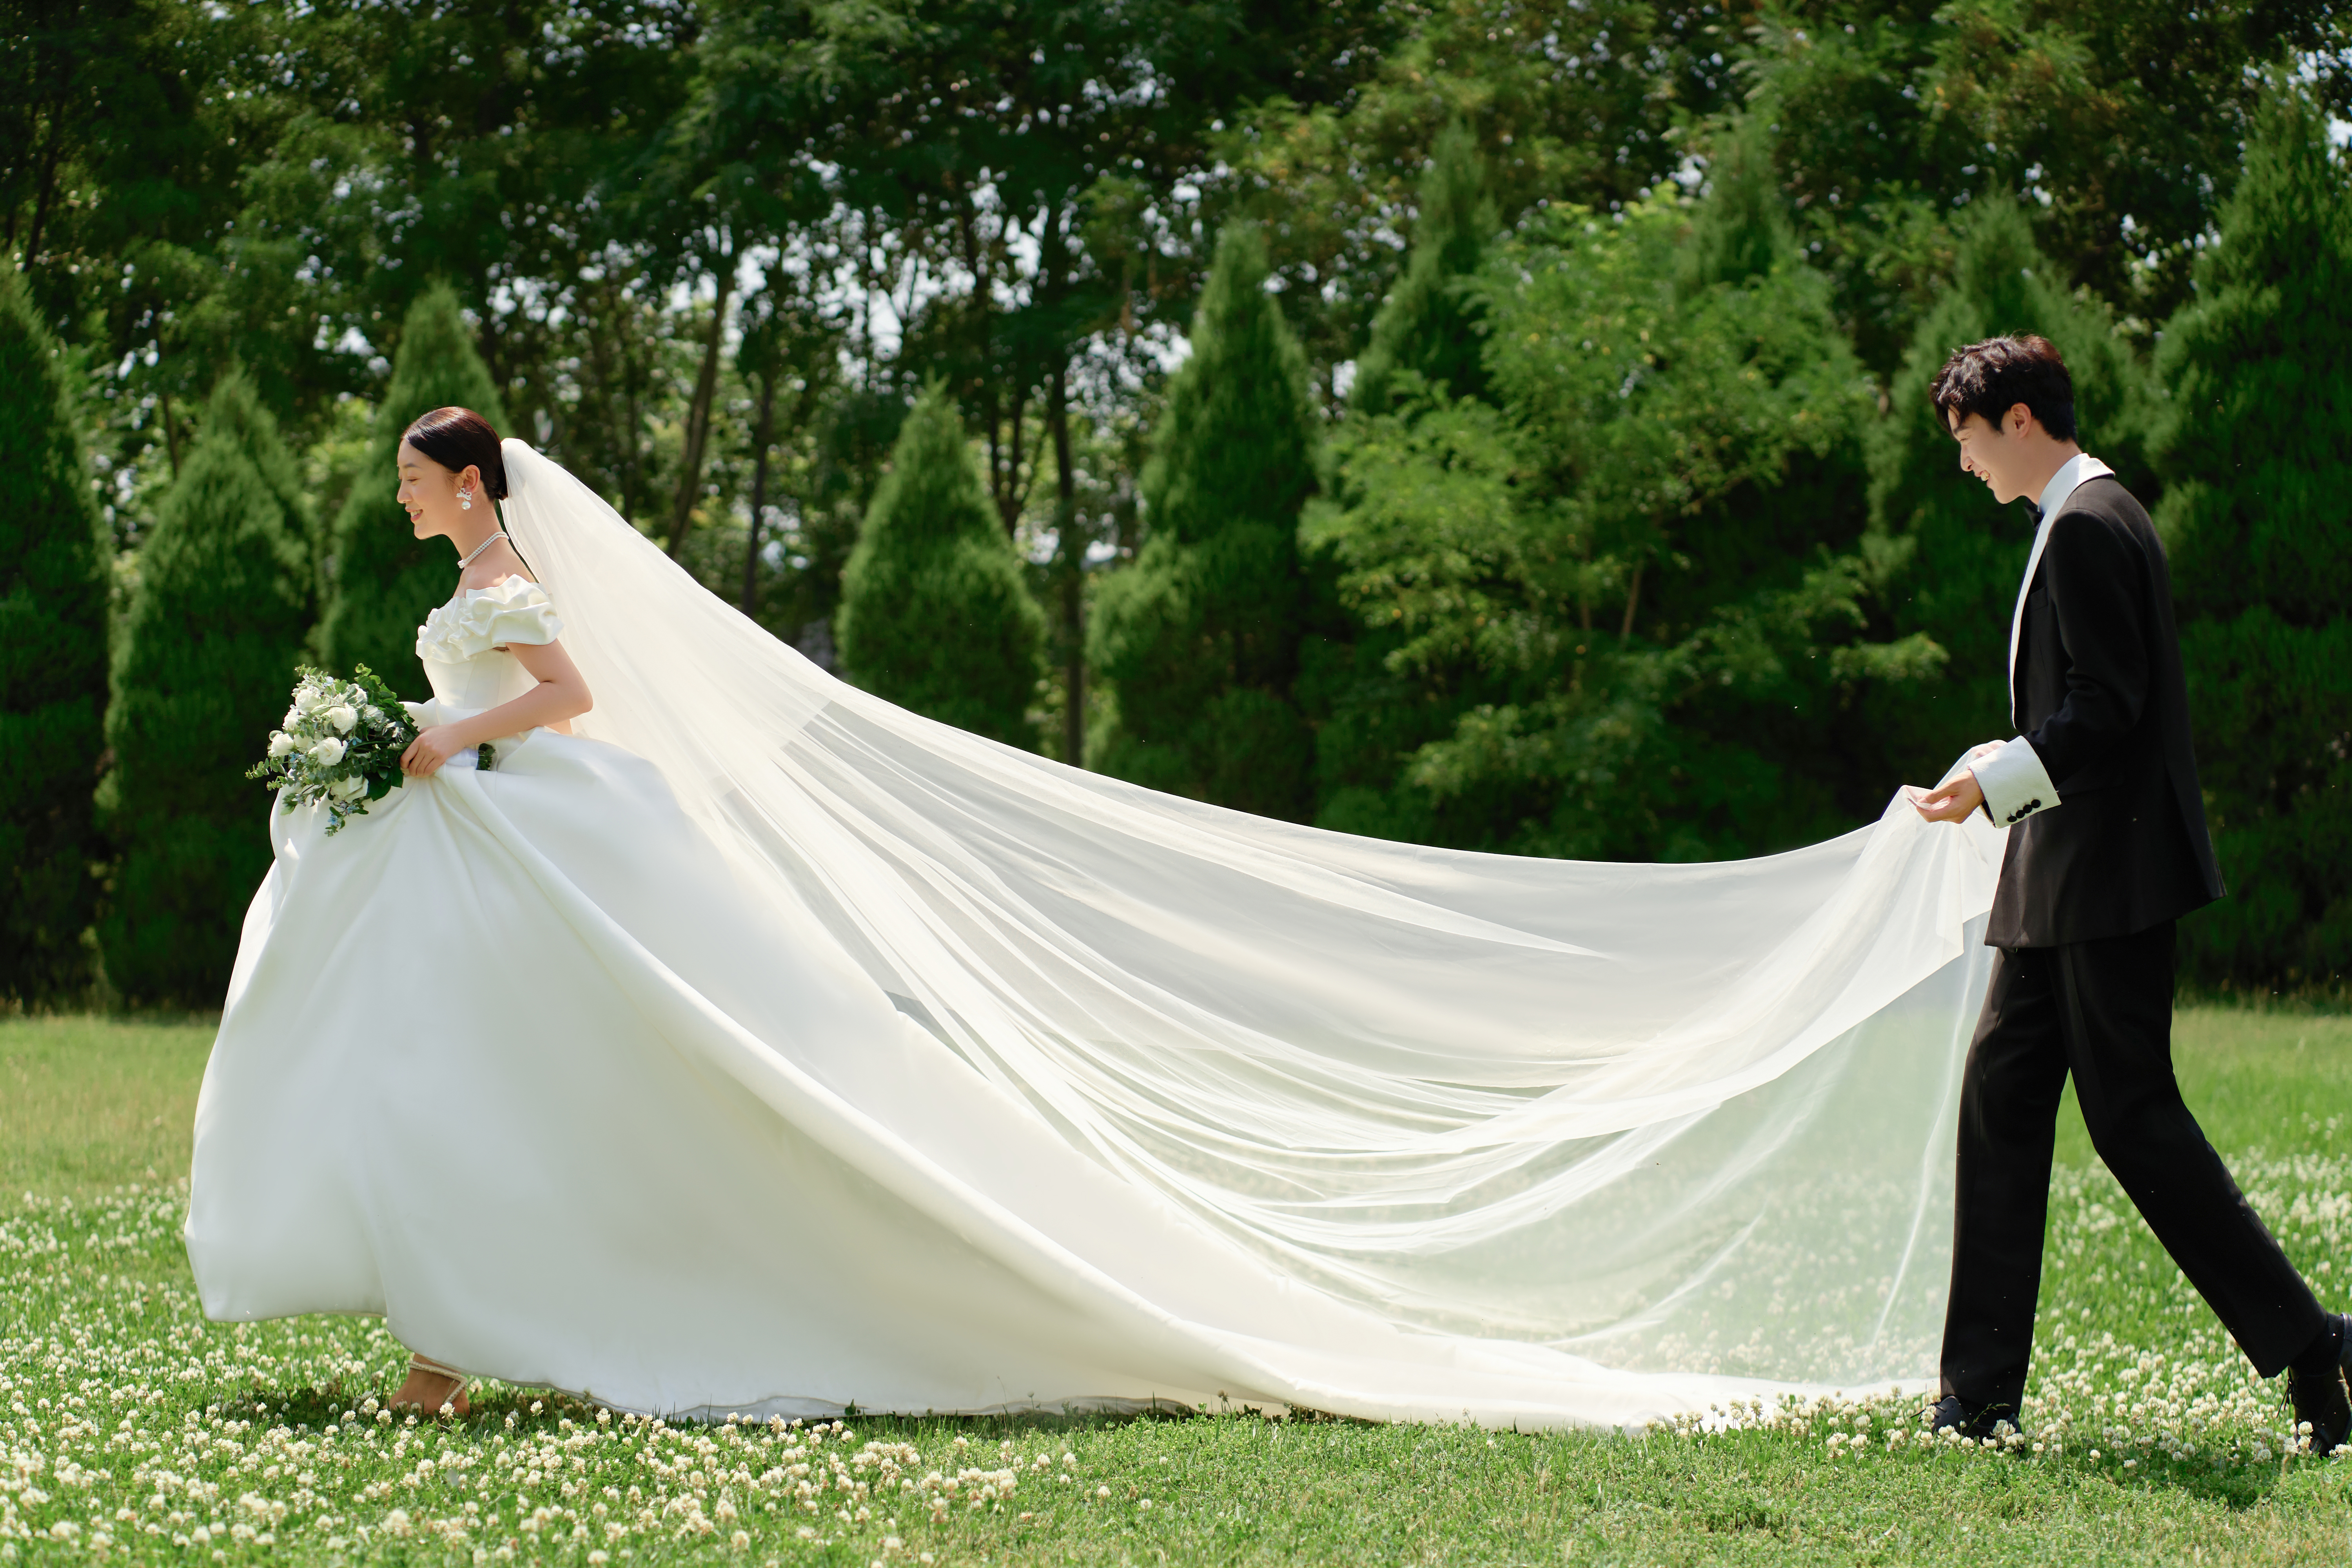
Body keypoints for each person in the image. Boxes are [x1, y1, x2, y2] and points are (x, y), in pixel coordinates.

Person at [191, 407, 2011, 1429]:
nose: (411, 498)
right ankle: (445, 1315)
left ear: (471, 485)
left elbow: (569, 699)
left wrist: (438, 736)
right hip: (508, 839)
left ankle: (472, 1323)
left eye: (423, 477)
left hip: (536, 816)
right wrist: (419, 744)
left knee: (604, 1065)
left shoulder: (508, 573)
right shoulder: (473, 570)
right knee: (465, 1064)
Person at [1909, 335, 2348, 1450]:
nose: (1963, 465)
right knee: (2002, 1106)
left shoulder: (2094, 524)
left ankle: (2316, 1350)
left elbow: (2107, 712)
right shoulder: (2077, 521)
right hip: (2059, 885)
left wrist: (1994, 780)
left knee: (2136, 1126)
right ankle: (1978, 1398)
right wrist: (2001, 772)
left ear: (2018, 419)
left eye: (1965, 440)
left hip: (2105, 882)